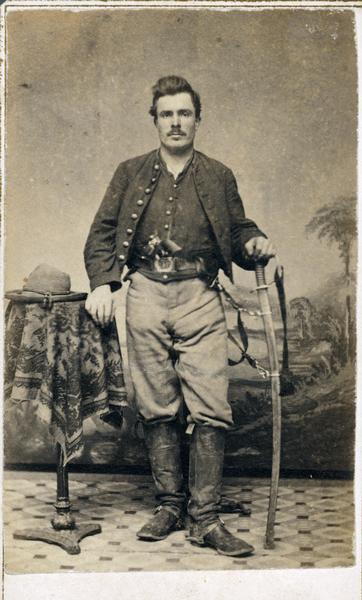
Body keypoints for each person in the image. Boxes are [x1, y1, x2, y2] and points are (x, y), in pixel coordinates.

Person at [84, 75, 275, 557]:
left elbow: (238, 228)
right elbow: (103, 233)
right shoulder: (129, 172)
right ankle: (170, 504)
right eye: (166, 113)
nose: (176, 122)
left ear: (197, 119)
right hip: (145, 295)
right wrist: (104, 283)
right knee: (157, 405)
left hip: (200, 299)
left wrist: (253, 243)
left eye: (184, 113)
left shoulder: (218, 175)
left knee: (211, 407)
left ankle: (205, 520)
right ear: (155, 120)